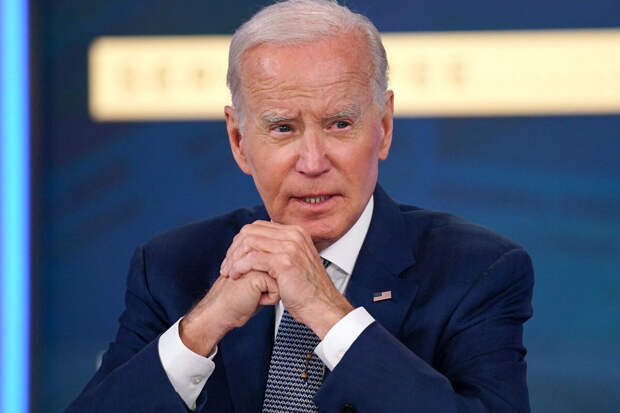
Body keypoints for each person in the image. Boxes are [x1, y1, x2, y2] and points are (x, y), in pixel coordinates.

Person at [66, 0, 534, 412]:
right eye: (283, 128)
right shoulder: (170, 268)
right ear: (238, 141)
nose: (313, 163)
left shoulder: (477, 270)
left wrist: (328, 312)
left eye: (340, 124)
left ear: (385, 127)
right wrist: (202, 328)